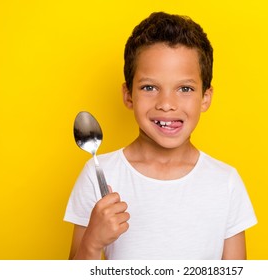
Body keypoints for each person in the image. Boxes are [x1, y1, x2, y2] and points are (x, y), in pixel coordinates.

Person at [64, 11, 257, 260]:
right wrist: (91, 243)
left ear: (205, 98)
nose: (167, 104)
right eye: (150, 87)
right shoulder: (98, 174)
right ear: (128, 95)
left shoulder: (225, 182)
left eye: (185, 88)